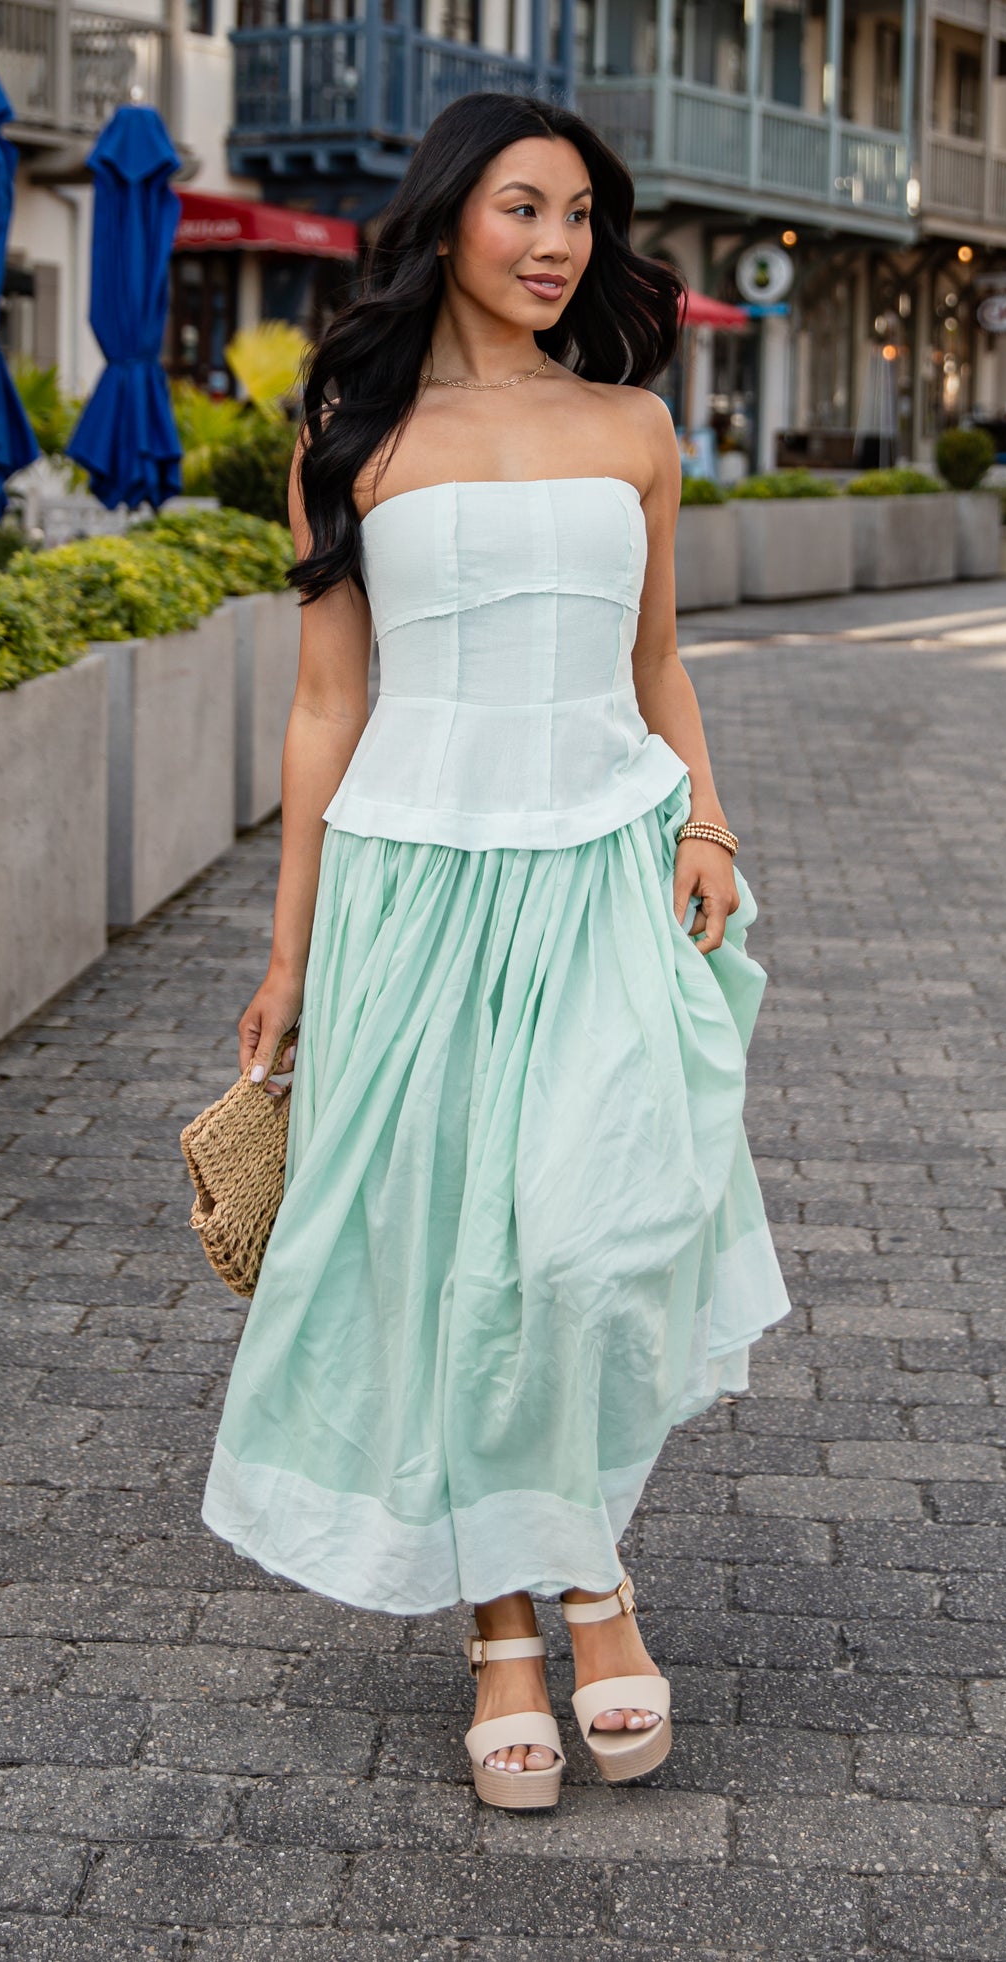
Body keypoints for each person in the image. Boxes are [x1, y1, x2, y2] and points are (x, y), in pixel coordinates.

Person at [202, 92, 789, 1810]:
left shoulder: (636, 427)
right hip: (413, 880)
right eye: (524, 207)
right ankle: (513, 1626)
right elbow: (326, 705)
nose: (557, 243)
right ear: (450, 213)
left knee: (595, 1237)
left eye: (584, 216)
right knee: (460, 1251)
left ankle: (590, 1569)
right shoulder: (357, 433)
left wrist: (708, 820)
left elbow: (661, 661)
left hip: (602, 864)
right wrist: (291, 948)